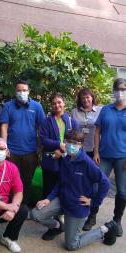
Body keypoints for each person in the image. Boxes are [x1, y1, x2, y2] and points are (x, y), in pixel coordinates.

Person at [31, 130, 117, 250]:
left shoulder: (87, 163)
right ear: (64, 142)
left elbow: (105, 183)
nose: (71, 145)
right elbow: (60, 182)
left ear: (81, 145)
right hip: (63, 199)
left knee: (71, 245)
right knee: (36, 214)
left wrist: (94, 201)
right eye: (68, 142)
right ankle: (57, 226)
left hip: (77, 206)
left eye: (75, 143)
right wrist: (48, 199)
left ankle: (105, 229)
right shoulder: (66, 159)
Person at [0, 80, 45, 205]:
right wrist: (4, 147)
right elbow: (4, 126)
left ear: (29, 91)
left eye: (24, 90)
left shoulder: (37, 106)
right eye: (19, 90)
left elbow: (42, 128)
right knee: (9, 180)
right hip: (11, 152)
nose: (22, 93)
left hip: (30, 152)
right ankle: (7, 206)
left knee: (26, 181)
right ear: (15, 91)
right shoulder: (8, 106)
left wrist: (40, 148)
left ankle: (23, 207)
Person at [94, 78, 126, 237]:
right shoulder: (106, 109)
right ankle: (91, 217)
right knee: (97, 186)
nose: (120, 91)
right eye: (118, 88)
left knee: (122, 191)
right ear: (113, 91)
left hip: (123, 158)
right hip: (104, 156)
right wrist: (96, 152)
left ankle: (117, 220)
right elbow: (97, 131)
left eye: (124, 89)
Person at [71, 88, 102, 230]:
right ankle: (80, 211)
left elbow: (101, 130)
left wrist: (97, 151)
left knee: (94, 183)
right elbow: (71, 132)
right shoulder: (74, 112)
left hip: (94, 152)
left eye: (88, 97)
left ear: (92, 98)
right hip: (78, 152)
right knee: (79, 181)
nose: (86, 100)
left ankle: (92, 216)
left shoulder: (100, 111)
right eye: (83, 98)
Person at [40, 93, 78, 198]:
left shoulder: (72, 122)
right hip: (50, 159)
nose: (57, 105)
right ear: (51, 106)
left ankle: (60, 212)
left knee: (65, 187)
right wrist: (58, 144)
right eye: (54, 103)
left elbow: (76, 141)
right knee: (48, 188)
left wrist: (62, 152)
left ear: (64, 103)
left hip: (67, 159)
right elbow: (43, 139)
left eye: (59, 102)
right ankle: (46, 212)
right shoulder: (46, 122)